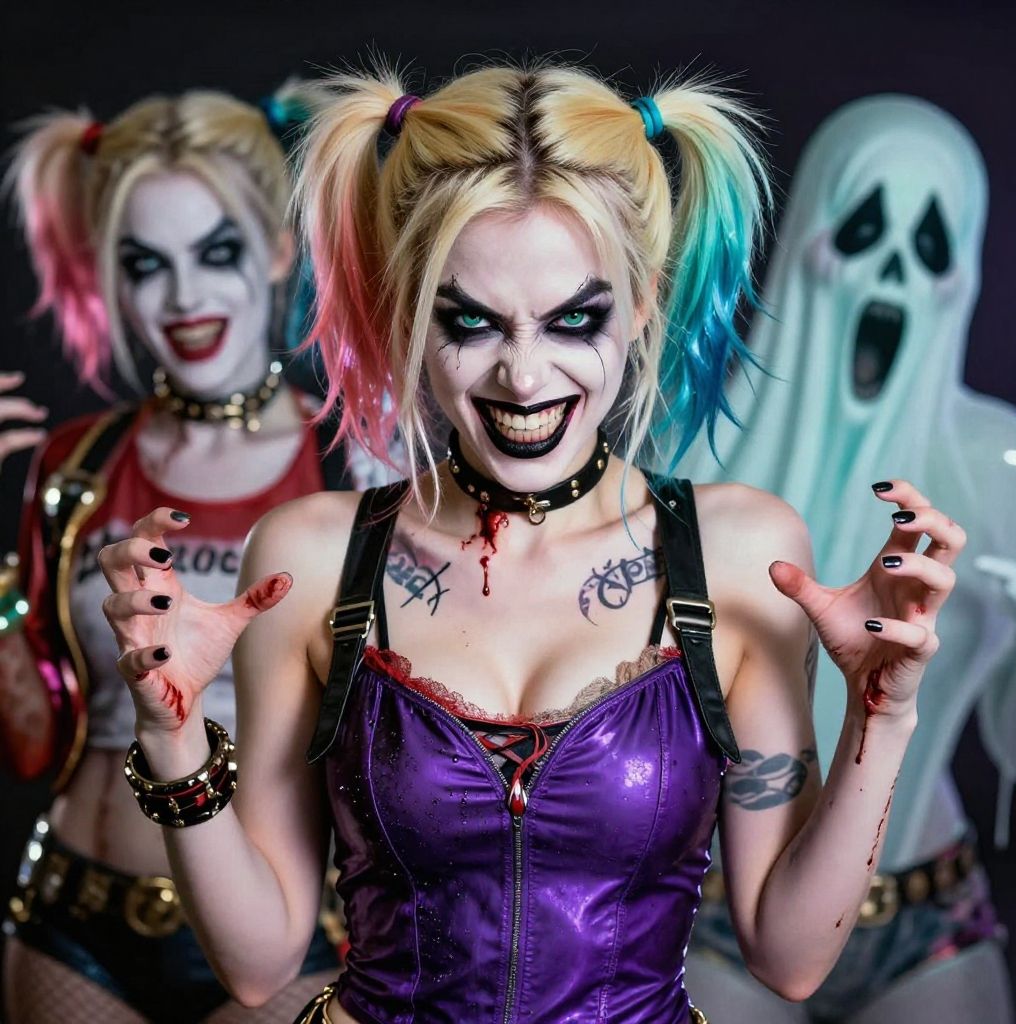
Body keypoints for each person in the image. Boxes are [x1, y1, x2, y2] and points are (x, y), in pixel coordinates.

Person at [97, 64, 962, 1024]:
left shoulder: (738, 552)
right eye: (470, 322)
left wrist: (881, 718)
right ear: (409, 311)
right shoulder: (309, 559)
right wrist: (172, 737)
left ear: (641, 303)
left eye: (574, 320)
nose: (523, 374)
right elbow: (259, 966)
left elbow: (790, 958)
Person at [1, 86, 347, 1023]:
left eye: (217, 252)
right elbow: (28, 744)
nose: (186, 298)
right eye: (146, 264)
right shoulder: (76, 462)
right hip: (75, 923)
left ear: (277, 250)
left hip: (296, 930)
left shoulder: (355, 466)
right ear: (109, 277)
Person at [677, 95, 1016, 1023]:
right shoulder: (687, 444)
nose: (894, 270)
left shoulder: (998, 470)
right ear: (810, 235)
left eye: (930, 244)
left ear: (961, 276)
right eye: (864, 229)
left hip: (924, 908)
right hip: (716, 906)